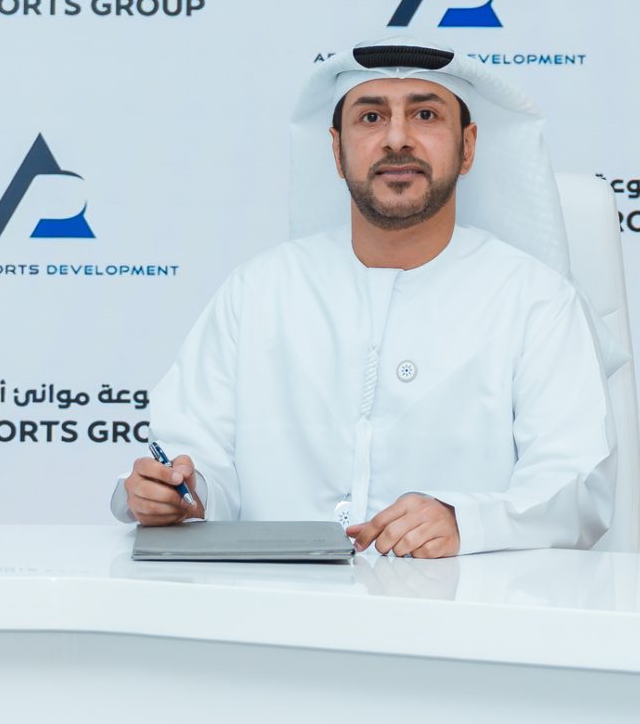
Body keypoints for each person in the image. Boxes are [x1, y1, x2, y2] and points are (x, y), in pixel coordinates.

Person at [118, 39, 613, 557]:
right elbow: (195, 457)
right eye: (371, 117)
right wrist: (178, 494)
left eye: (425, 114)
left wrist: (466, 522)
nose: (397, 139)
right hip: (276, 600)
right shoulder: (259, 293)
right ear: (336, 150)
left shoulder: (536, 301)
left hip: (466, 603)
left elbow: (576, 485)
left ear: (467, 147)